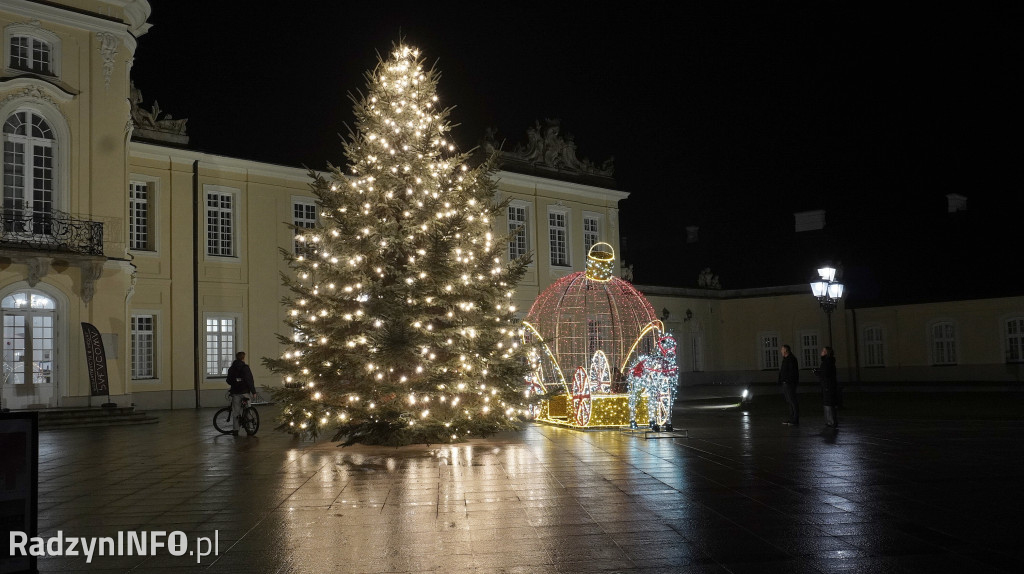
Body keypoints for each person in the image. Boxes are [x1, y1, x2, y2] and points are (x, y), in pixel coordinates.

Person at [226, 351, 257, 435]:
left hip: (235, 392)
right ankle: (250, 428)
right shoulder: (245, 367)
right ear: (243, 358)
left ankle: (235, 430)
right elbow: (249, 380)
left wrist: (235, 382)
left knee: (236, 411)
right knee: (248, 409)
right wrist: (253, 391)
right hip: (244, 392)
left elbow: (228, 380)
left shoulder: (231, 368)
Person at [817, 346, 839, 428]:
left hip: (828, 385)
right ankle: (829, 421)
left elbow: (826, 374)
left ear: (826, 353)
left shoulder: (828, 362)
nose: (821, 352)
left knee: (829, 403)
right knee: (827, 403)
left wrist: (818, 373)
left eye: (823, 350)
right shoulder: (827, 361)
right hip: (826, 385)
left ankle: (832, 421)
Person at [778, 344, 799, 425]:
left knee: (792, 401)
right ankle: (792, 418)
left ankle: (795, 419)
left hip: (789, 384)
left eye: (782, 350)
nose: (781, 351)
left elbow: (792, 373)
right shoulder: (786, 359)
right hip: (786, 383)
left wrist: (787, 381)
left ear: (786, 350)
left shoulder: (791, 359)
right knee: (790, 401)